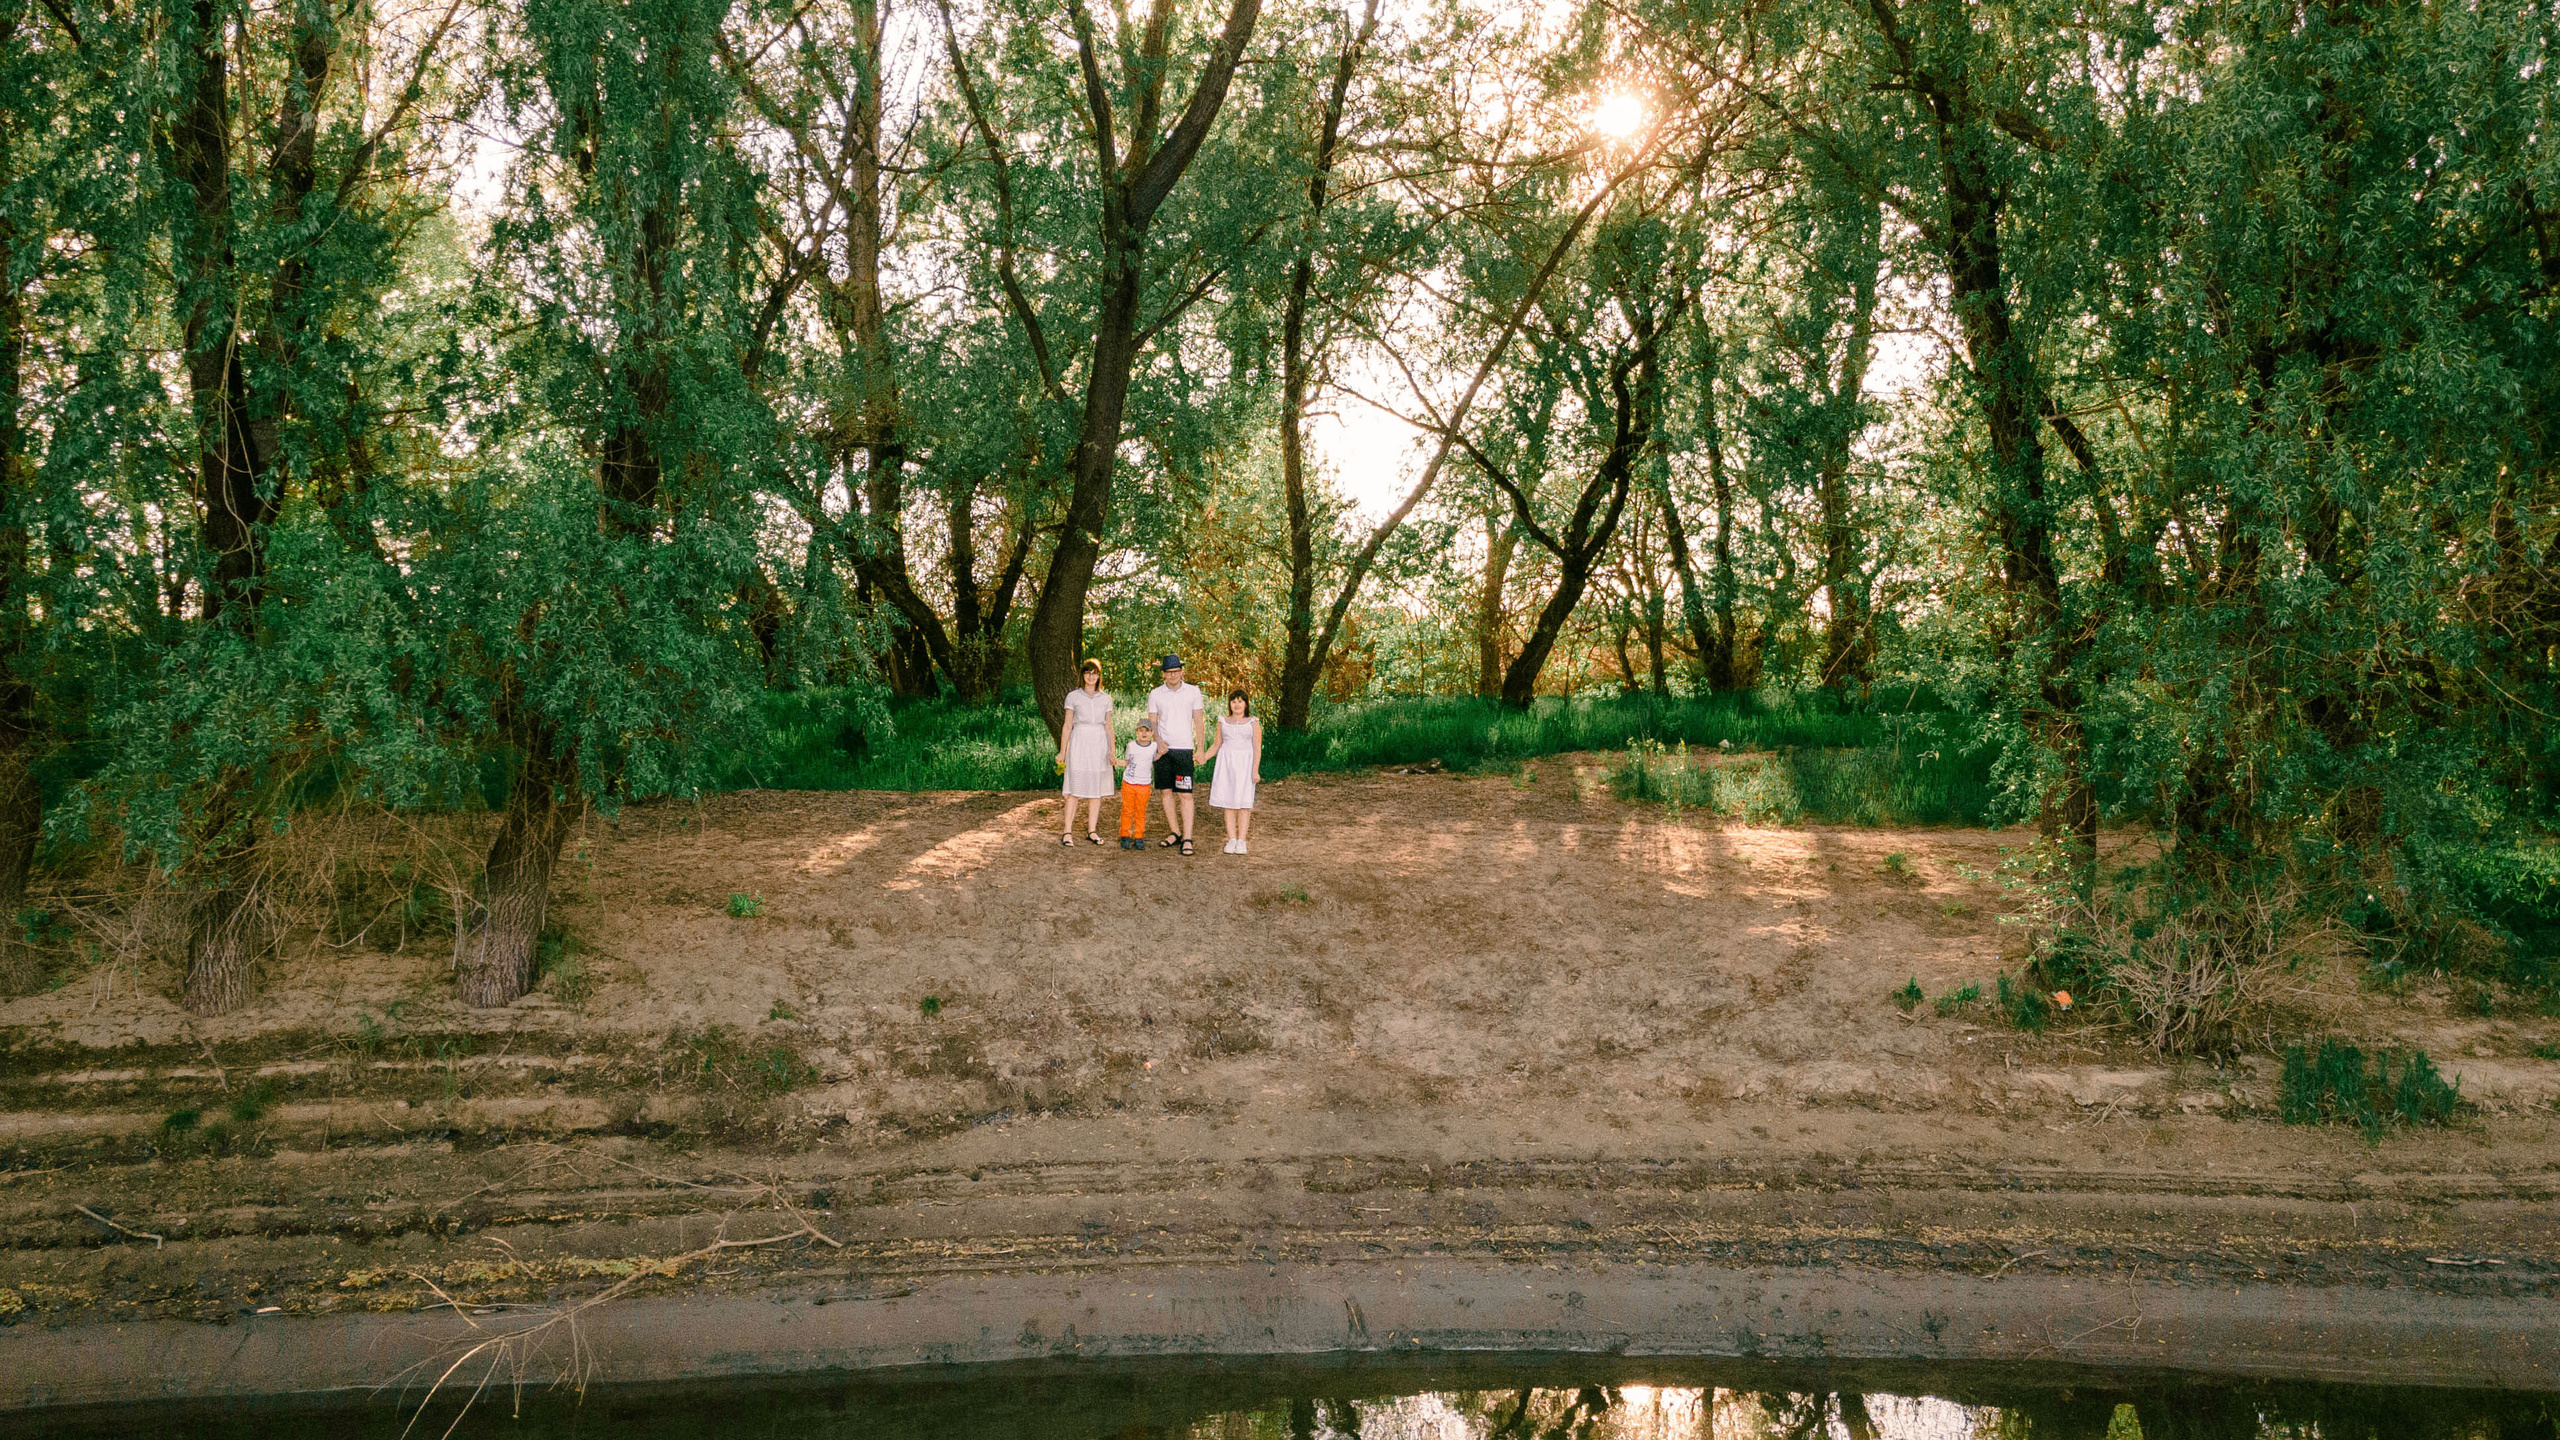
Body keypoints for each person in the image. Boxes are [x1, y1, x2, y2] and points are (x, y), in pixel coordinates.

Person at [1144, 655, 1207, 856]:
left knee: (1185, 794)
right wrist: (1158, 741)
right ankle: (1175, 832)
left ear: (1182, 671)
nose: (1173, 675)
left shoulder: (1193, 692)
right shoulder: (1155, 694)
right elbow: (1151, 722)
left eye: (1176, 671)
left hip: (1184, 751)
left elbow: (1198, 721)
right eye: (1169, 672)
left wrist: (1201, 749)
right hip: (1163, 751)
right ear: (1163, 674)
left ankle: (1187, 838)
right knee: (1165, 792)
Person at [1056, 659, 1114, 845]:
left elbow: (1109, 727)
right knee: (1074, 789)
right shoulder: (1073, 696)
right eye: (1088, 672)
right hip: (1079, 741)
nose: (1091, 676)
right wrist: (1062, 751)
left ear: (1099, 676)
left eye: (1095, 673)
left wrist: (1112, 751)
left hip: (1099, 743)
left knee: (1095, 791)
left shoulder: (1105, 698)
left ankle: (1092, 830)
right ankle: (1067, 831)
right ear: (1082, 675)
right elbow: (1067, 725)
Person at [1202, 688, 1261, 854]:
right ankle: (1231, 839)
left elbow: (1257, 748)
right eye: (1233, 701)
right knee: (1228, 803)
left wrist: (1255, 771)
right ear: (1229, 704)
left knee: (1243, 804)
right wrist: (1204, 757)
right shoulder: (1223, 722)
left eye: (1240, 701)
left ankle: (1242, 840)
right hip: (1226, 764)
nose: (1237, 704)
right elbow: (1216, 745)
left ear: (1246, 704)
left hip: (1245, 765)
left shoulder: (1253, 722)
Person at [1117, 720, 1161, 850]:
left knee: (1140, 811)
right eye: (1141, 730)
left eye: (1147, 730)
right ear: (1136, 732)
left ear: (1152, 733)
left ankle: (1139, 836)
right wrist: (1114, 761)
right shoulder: (1131, 745)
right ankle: (1125, 835)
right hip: (1129, 783)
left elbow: (1155, 760)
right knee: (1127, 810)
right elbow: (1126, 762)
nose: (1144, 733)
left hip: (1144, 784)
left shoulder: (1154, 746)